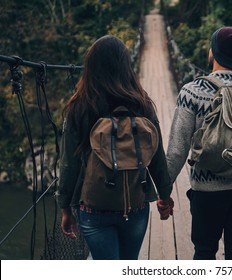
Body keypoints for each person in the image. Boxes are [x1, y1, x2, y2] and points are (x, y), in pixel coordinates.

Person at [56, 35, 174, 260]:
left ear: (90, 67)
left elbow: (68, 163)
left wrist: (65, 208)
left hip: (93, 208)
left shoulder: (80, 106)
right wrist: (165, 195)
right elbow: (157, 154)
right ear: (126, 66)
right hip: (136, 206)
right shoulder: (142, 103)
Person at [166, 26, 232, 260]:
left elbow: (177, 150)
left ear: (213, 52)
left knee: (204, 253)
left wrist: (164, 192)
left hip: (207, 192)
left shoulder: (192, 92)